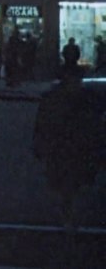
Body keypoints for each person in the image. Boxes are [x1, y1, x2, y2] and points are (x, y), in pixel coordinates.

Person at [33, 67, 104, 243]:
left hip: (74, 146)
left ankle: (69, 215)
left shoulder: (83, 99)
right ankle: (69, 216)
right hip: (67, 146)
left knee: (72, 183)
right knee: (70, 183)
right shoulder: (84, 99)